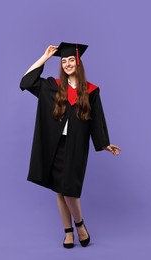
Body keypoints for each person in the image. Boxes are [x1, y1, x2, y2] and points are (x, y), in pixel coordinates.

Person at [20, 42, 121, 249]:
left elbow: (97, 119)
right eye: (63, 61)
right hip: (55, 145)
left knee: (70, 190)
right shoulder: (52, 86)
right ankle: (68, 232)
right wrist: (45, 57)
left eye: (70, 60)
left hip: (76, 145)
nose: (67, 64)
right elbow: (26, 81)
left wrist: (105, 143)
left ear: (78, 63)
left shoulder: (91, 91)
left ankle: (80, 224)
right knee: (59, 190)